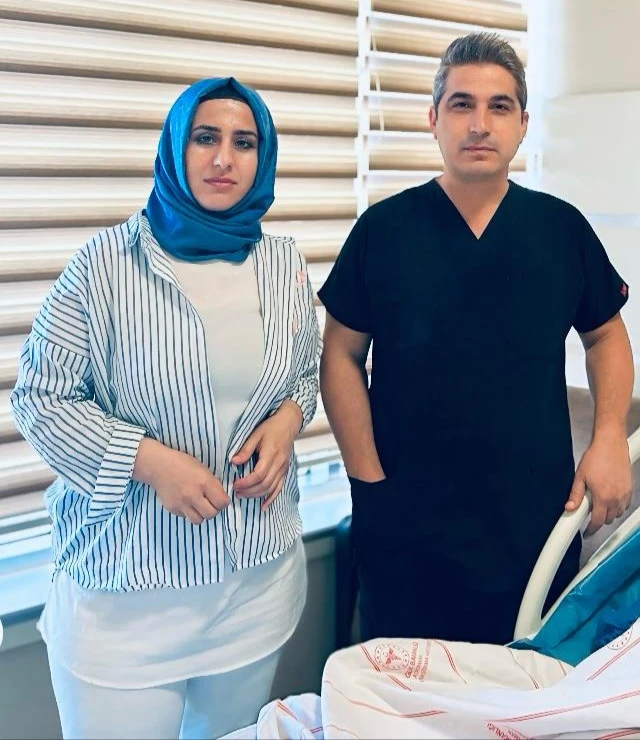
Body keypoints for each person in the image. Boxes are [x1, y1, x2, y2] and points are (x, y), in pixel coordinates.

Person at [10, 76, 320, 739]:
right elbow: (40, 399)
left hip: (254, 587)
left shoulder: (283, 264)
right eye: (205, 138)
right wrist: (149, 463)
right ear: (176, 146)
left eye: (244, 143)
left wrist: (288, 421)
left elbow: (303, 371)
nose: (223, 159)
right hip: (126, 604)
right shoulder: (103, 267)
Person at [318, 32, 633, 645]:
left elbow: (606, 337)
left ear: (522, 125)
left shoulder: (560, 230)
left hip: (533, 524)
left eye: (500, 106)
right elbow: (342, 355)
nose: (480, 124)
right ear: (433, 120)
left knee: (524, 682)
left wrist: (609, 436)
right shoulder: (384, 230)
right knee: (406, 686)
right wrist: (368, 482)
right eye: (461, 104)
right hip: (405, 521)